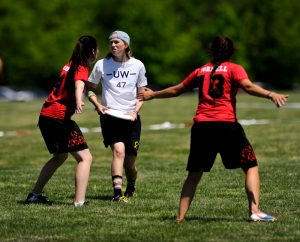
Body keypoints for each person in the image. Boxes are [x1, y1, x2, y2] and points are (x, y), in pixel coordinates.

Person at [138, 36, 288, 222]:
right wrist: (270, 94)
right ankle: (255, 211)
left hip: (202, 127)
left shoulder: (201, 71)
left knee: (194, 174)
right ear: (231, 51)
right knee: (250, 166)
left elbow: (178, 89)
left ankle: (180, 217)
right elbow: (248, 86)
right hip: (226, 125)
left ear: (211, 51)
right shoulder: (234, 69)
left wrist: (153, 94)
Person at [25, 36, 99, 206]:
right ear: (93, 51)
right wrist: (79, 98)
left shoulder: (69, 64)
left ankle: (35, 195)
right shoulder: (81, 65)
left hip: (47, 115)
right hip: (58, 117)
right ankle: (79, 201)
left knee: (60, 156)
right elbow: (79, 83)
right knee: (85, 158)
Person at [86, 30, 147, 203]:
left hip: (131, 118)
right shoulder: (101, 65)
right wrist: (97, 105)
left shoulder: (138, 65)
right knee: (118, 151)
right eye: (111, 42)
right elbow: (89, 88)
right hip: (110, 116)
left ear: (126, 45)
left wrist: (135, 111)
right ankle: (117, 193)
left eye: (117, 42)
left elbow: (142, 93)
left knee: (130, 163)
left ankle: (131, 186)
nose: (113, 45)